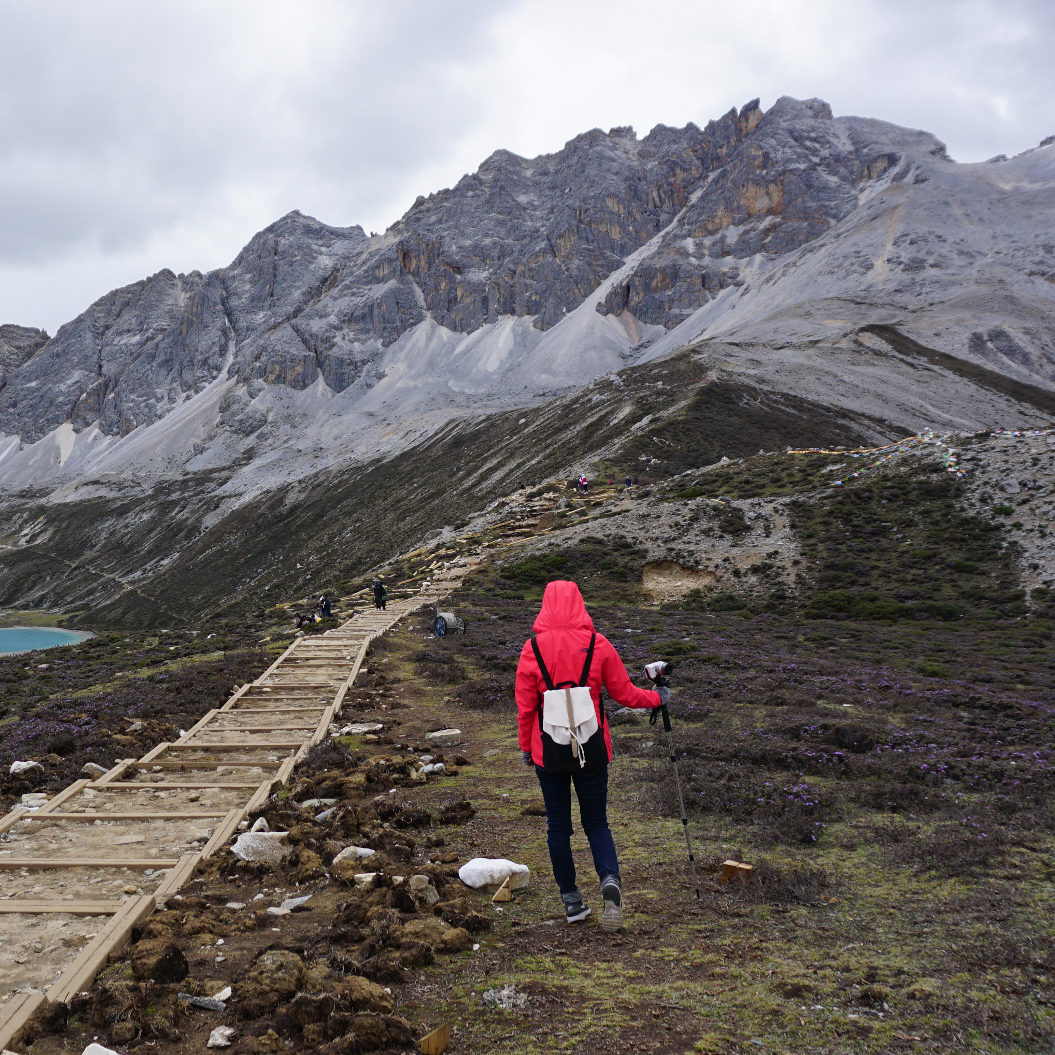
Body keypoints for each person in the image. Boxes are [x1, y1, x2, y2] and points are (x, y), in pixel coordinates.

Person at [515, 580, 667, 931]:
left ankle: (571, 901)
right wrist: (658, 698)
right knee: (597, 822)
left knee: (558, 826)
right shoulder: (598, 645)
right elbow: (626, 694)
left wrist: (526, 747)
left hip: (547, 752)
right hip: (593, 749)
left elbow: (525, 708)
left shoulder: (531, 649)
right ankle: (609, 881)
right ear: (579, 603)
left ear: (545, 605)